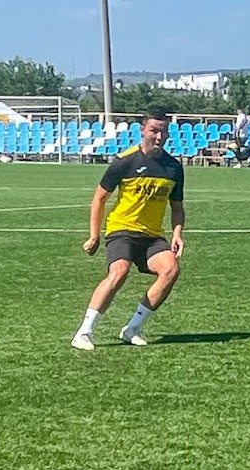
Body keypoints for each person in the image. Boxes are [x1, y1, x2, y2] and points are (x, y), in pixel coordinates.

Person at [71, 107, 185, 351]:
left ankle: (132, 328)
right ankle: (84, 332)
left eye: (163, 132)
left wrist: (177, 233)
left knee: (171, 270)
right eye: (154, 130)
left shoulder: (173, 168)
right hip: (122, 229)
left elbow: (177, 207)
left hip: (152, 236)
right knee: (119, 272)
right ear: (142, 130)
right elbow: (99, 198)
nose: (159, 136)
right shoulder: (125, 162)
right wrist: (94, 235)